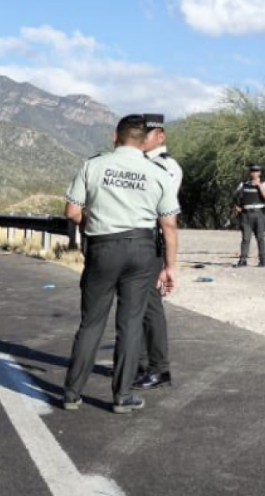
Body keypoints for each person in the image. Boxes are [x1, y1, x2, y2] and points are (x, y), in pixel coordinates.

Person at [62, 114, 181, 414]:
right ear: (143, 142)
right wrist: (169, 266)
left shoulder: (94, 165)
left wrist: (95, 222)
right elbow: (169, 225)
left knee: (91, 323)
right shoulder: (158, 172)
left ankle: (72, 393)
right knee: (129, 323)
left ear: (115, 136)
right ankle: (122, 395)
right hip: (141, 251)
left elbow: (72, 211)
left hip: (103, 247)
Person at [134, 114, 183, 391]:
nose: (142, 138)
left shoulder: (166, 166)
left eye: (147, 133)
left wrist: (168, 262)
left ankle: (158, 367)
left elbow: (162, 210)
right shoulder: (140, 163)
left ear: (160, 136)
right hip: (136, 240)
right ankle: (139, 363)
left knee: (150, 306)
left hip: (152, 239)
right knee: (136, 305)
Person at [235, 165, 265, 267]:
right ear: (249, 172)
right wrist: (237, 206)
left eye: (256, 171)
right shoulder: (243, 184)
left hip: (259, 213)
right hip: (245, 213)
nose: (254, 173)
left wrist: (259, 185)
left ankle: (262, 260)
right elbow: (236, 197)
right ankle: (243, 260)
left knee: (260, 238)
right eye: (252, 171)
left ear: (260, 173)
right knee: (246, 238)